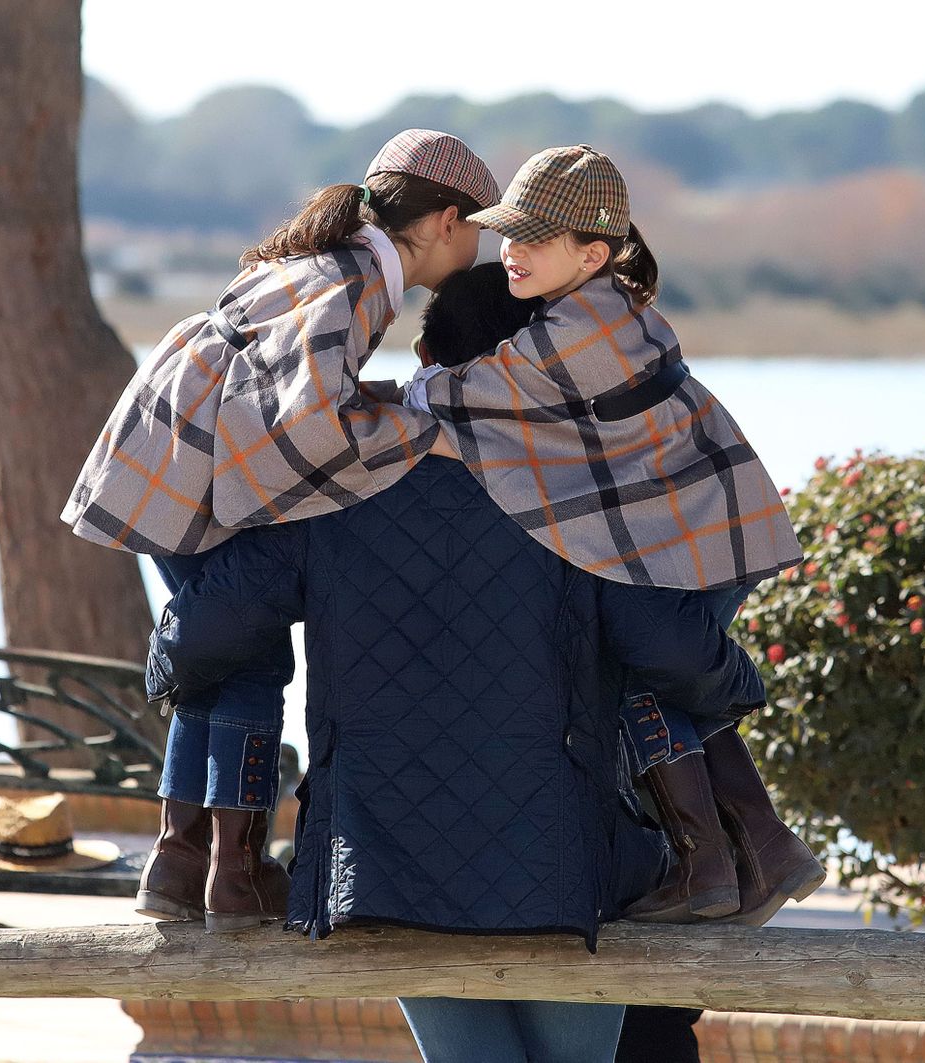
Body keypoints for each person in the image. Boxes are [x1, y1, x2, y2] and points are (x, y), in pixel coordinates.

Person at [145, 452, 768, 1063]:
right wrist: (744, 689)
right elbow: (672, 646)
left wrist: (161, 660)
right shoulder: (570, 493)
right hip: (560, 861)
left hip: (379, 859)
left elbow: (205, 633)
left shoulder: (334, 493)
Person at [64, 129, 498, 932]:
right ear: (445, 220)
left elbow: (293, 386)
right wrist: (419, 428)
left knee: (226, 659)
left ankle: (179, 861)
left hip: (172, 452)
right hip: (194, 467)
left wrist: (376, 401)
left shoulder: (340, 264)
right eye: (478, 230)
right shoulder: (361, 282)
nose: (480, 249)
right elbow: (307, 428)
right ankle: (233, 874)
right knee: (253, 661)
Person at [411, 145, 824, 931]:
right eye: (509, 235)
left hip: (693, 534)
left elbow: (455, 392)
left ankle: (718, 856)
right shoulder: (602, 304)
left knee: (642, 666)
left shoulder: (575, 331)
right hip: (697, 527)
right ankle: (749, 851)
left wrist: (405, 388)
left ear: (592, 253)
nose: (512, 253)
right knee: (647, 674)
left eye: (534, 239)